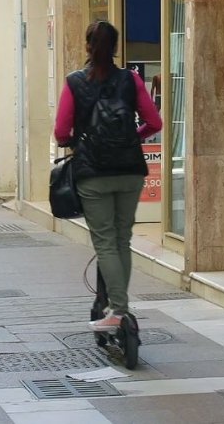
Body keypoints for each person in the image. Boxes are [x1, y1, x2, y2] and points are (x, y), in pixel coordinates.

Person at [54, 21, 162, 332]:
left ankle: (118, 310)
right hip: (130, 170)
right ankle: (118, 306)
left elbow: (61, 131)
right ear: (115, 47)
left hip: (93, 173)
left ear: (88, 46)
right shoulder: (131, 79)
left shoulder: (74, 82)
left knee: (105, 243)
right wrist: (134, 136)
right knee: (122, 239)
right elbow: (154, 121)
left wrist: (74, 140)